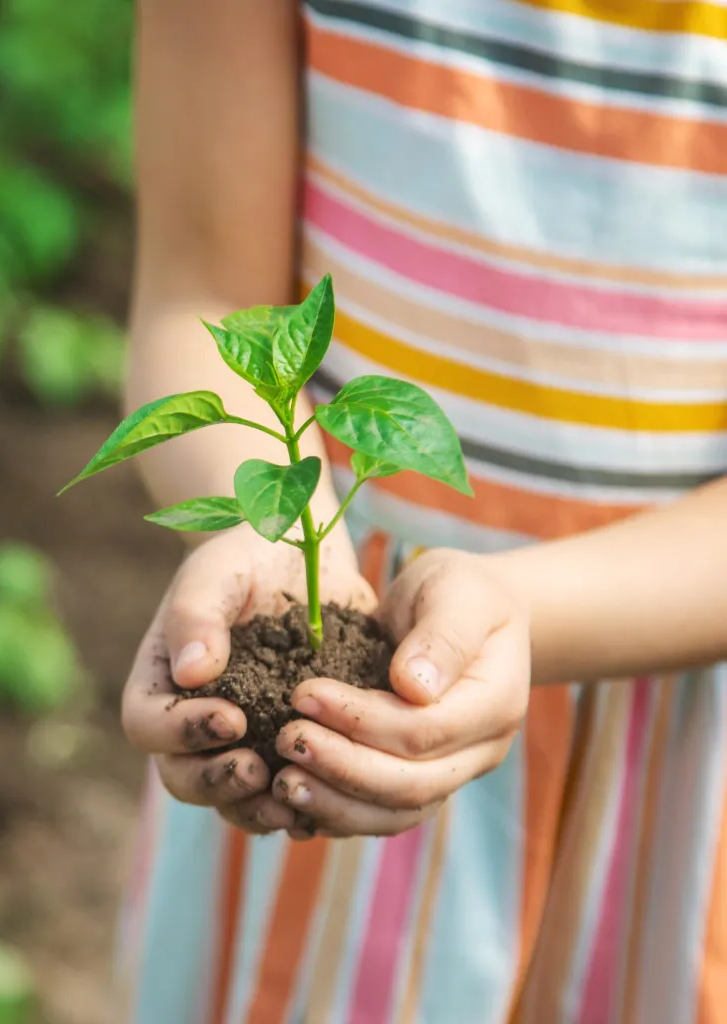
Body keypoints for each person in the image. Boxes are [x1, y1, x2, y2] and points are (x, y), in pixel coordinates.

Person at [112, 2, 727, 1021]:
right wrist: (268, 526)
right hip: (336, 680)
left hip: (676, 717)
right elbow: (203, 297)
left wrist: (516, 610)